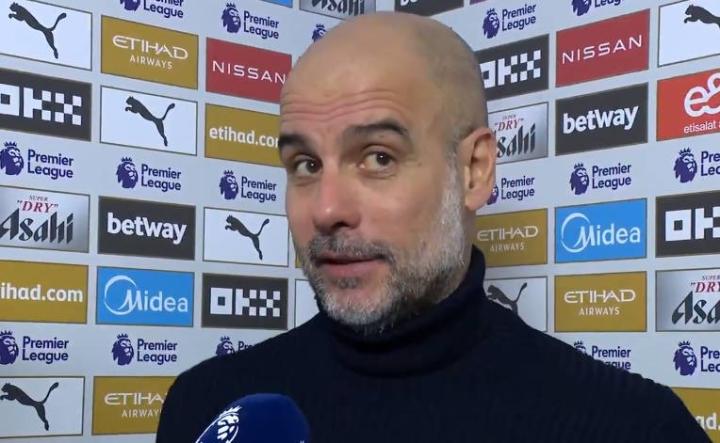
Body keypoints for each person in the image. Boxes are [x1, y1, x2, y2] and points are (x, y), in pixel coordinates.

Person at [157, 12, 709, 443]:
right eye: (305, 165)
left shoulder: (634, 428)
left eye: (378, 157)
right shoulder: (207, 408)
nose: (326, 210)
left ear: (474, 171)